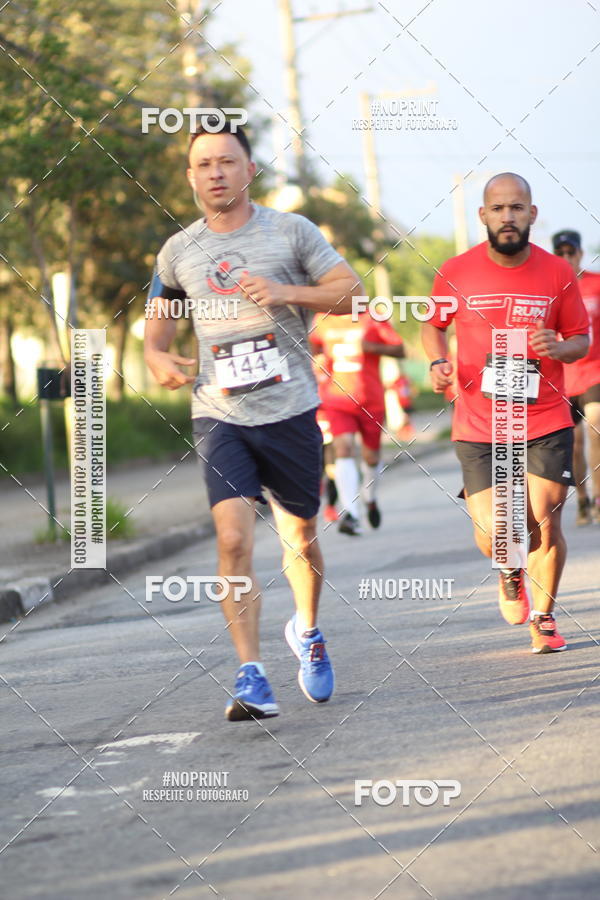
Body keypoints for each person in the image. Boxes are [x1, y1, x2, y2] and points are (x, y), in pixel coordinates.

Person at [144, 122, 362, 720]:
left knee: (301, 536)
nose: (215, 173)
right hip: (220, 414)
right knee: (233, 539)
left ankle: (308, 630)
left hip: (290, 410)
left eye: (226, 161)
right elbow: (157, 330)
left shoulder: (292, 231)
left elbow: (350, 292)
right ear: (191, 178)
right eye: (204, 164)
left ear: (249, 170)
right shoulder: (177, 251)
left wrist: (287, 293)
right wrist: (157, 356)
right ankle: (252, 673)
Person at [422, 173, 589, 654]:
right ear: (483, 215)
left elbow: (580, 339)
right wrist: (437, 362)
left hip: (545, 417)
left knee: (544, 520)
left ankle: (544, 617)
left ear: (532, 214)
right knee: (500, 532)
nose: (508, 217)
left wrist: (559, 346)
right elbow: (433, 326)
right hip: (479, 421)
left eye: (517, 208)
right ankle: (510, 567)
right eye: (498, 209)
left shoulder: (557, 273)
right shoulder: (455, 271)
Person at [311, 310, 404, 535]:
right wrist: (318, 361)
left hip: (370, 400)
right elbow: (313, 347)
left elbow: (400, 349)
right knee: (343, 449)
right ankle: (350, 514)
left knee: (371, 457)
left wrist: (371, 347)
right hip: (336, 400)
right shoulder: (322, 319)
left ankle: (369, 497)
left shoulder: (373, 316)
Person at [552, 230, 600, 525]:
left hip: (594, 372)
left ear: (581, 254)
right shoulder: (550, 289)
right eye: (561, 253)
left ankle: (598, 498)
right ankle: (582, 498)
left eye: (571, 252)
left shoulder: (596, 284)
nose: (567, 258)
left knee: (596, 431)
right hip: (564, 379)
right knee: (575, 443)